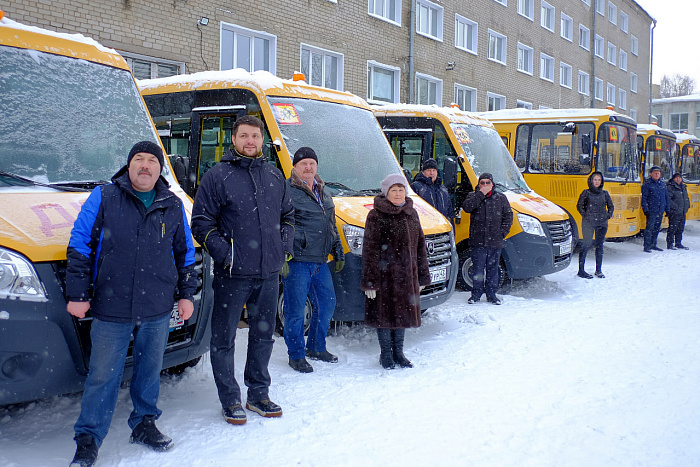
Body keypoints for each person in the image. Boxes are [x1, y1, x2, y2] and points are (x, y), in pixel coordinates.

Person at [65, 141, 196, 467]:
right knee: (102, 376)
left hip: (157, 306)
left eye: (152, 161)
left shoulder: (172, 203)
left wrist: (186, 294)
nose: (146, 166)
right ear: (129, 165)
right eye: (140, 159)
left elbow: (185, 253)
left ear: (159, 169)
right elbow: (80, 244)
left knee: (150, 371)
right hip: (112, 306)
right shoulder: (105, 197)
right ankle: (88, 439)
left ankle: (144, 424)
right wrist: (78, 294)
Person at [191, 115, 294, 424]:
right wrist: (227, 255)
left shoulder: (275, 176)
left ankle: (258, 394)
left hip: (268, 272)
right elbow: (201, 223)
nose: (250, 141)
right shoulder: (217, 176)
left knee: (263, 336)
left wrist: (283, 247)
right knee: (223, 339)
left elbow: (288, 216)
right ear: (233, 140)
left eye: (255, 136)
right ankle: (230, 398)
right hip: (232, 274)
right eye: (244, 136)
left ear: (262, 141)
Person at [282, 147, 345, 373]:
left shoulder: (323, 190)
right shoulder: (286, 190)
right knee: (296, 310)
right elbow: (279, 224)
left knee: (327, 304)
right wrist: (282, 253)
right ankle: (296, 354)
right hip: (297, 260)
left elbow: (330, 225)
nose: (308, 168)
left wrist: (337, 249)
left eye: (311, 163)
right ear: (295, 167)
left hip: (320, 261)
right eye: (303, 164)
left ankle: (316, 347)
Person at [361, 174, 430, 369]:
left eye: (401, 190)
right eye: (394, 190)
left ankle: (398, 352)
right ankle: (386, 354)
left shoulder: (412, 213)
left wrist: (422, 275)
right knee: (384, 317)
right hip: (385, 277)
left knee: (403, 315)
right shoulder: (376, 215)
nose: (398, 194)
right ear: (386, 193)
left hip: (407, 277)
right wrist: (370, 282)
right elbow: (370, 250)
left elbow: (419, 246)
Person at [462, 173, 513, 305]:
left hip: (495, 241)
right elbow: (467, 208)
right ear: (478, 185)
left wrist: (502, 233)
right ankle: (476, 294)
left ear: (492, 184)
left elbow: (508, 216)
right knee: (477, 269)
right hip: (477, 241)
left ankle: (491, 295)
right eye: (482, 183)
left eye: (487, 182)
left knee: (493, 269)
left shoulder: (500, 198)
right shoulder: (473, 196)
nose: (485, 185)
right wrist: (480, 194)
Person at [576, 171, 614, 278]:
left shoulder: (605, 193)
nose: (597, 182)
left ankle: (598, 270)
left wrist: (608, 215)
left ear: (601, 181)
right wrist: (586, 215)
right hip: (588, 223)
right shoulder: (586, 193)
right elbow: (579, 206)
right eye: (595, 179)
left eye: (599, 180)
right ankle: (581, 270)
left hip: (602, 223)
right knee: (586, 245)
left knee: (599, 246)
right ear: (591, 181)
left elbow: (611, 206)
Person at [641, 165, 670, 253]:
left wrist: (667, 209)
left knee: (657, 228)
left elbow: (666, 198)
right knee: (649, 229)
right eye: (655, 172)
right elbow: (644, 198)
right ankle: (647, 246)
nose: (657, 174)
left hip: (660, 210)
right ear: (651, 174)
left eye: (658, 172)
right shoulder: (647, 184)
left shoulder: (662, 184)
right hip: (651, 211)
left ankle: (653, 244)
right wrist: (646, 209)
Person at [666, 172, 690, 250]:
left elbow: (686, 198)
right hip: (674, 212)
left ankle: (678, 243)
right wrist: (675, 207)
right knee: (672, 229)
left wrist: (687, 206)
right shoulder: (670, 187)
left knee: (680, 229)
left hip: (682, 212)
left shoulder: (683, 187)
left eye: (679, 177)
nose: (678, 179)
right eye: (676, 177)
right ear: (673, 179)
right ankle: (670, 244)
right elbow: (668, 199)